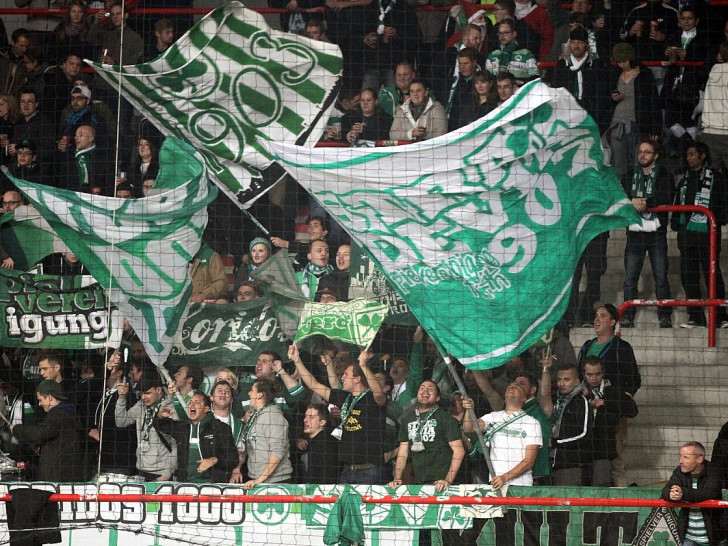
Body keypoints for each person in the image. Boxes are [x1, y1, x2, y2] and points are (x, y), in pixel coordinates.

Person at [291, 344, 388, 484]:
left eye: (346, 375)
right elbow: (314, 385)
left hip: (369, 472)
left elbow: (379, 392)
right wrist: (296, 360)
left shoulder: (372, 399)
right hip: (347, 471)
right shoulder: (345, 398)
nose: (342, 377)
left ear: (357, 379)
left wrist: (364, 366)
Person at [389, 380, 464, 546]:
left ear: (437, 398)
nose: (425, 391)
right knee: (422, 535)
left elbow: (459, 450)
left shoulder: (445, 418)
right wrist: (397, 477)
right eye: (422, 387)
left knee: (445, 536)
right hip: (419, 485)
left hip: (441, 484)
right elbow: (402, 452)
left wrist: (448, 480)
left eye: (431, 389)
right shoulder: (408, 418)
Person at [576, 303, 640, 486]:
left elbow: (634, 379)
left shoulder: (622, 347)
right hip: (588, 414)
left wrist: (616, 400)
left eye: (603, 316)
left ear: (613, 321)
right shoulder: (587, 346)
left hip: (611, 413)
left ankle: (621, 505)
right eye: (596, 315)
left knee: (615, 460)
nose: (597, 319)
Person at [671, 143, 728, 328]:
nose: (688, 158)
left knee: (713, 276)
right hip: (687, 239)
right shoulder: (683, 181)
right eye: (687, 155)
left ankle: (721, 316)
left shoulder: (717, 180)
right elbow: (677, 209)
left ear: (702, 156)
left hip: (708, 238)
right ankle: (695, 317)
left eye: (692, 154)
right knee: (688, 277)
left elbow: (723, 209)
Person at [620, 139, 674, 328]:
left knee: (661, 276)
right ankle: (627, 315)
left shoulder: (665, 175)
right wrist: (631, 202)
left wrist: (643, 203)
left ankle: (664, 315)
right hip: (634, 233)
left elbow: (667, 197)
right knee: (630, 278)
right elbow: (620, 196)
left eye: (647, 152)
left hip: (656, 233)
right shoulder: (628, 176)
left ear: (656, 155)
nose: (642, 155)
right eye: (640, 152)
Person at [10, 379, 85, 482]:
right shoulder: (69, 413)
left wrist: (17, 429)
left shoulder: (58, 414)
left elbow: (41, 432)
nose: (40, 404)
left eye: (41, 400)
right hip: (67, 472)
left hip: (58, 475)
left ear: (49, 398)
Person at [157, 391, 239, 483]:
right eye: (190, 402)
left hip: (213, 487)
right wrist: (160, 415)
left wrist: (214, 460)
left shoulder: (220, 428)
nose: (192, 404)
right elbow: (159, 425)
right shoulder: (183, 428)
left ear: (206, 408)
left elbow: (233, 459)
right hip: (184, 486)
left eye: (197, 402)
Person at [581, 356, 638, 487]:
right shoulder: (579, 391)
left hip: (609, 442)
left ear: (603, 372)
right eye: (590, 375)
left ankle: (622, 505)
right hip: (584, 446)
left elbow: (632, 410)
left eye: (597, 374)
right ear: (584, 374)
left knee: (616, 474)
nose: (594, 378)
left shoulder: (613, 390)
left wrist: (606, 403)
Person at [606, 42, 660, 178]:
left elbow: (653, 102)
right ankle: (622, 195)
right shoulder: (614, 74)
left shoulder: (644, 75)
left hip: (637, 125)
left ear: (631, 58)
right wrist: (613, 98)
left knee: (638, 163)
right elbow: (604, 98)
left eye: (624, 61)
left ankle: (638, 192)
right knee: (618, 164)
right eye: (618, 61)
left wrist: (655, 128)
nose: (621, 64)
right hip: (617, 125)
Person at [660, 442, 725, 546]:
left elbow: (710, 493)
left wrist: (683, 493)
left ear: (699, 459)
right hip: (688, 538)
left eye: (685, 457)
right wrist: (672, 494)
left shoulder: (714, 470)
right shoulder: (679, 471)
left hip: (714, 537)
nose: (681, 461)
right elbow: (666, 490)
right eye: (680, 456)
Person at [116, 374, 178, 481]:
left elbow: (176, 444)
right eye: (141, 394)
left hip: (162, 474)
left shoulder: (171, 407)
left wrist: (166, 475)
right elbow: (121, 422)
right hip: (141, 469)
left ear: (158, 390)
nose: (143, 397)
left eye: (147, 393)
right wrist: (122, 398)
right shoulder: (140, 405)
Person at [550, 27, 610, 132]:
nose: (576, 46)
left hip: (590, 115)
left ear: (586, 44)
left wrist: (597, 118)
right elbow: (555, 90)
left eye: (579, 42)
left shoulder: (596, 66)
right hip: (566, 116)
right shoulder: (562, 65)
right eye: (573, 42)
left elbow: (602, 95)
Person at [239, 379, 293, 488]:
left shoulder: (274, 417)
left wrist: (259, 480)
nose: (249, 393)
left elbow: (277, 452)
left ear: (259, 395)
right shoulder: (255, 416)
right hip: (257, 480)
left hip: (276, 482)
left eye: (252, 391)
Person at [485, 19, 539, 86]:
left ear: (514, 34)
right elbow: (488, 81)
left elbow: (535, 79)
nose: (502, 36)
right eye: (500, 33)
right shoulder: (493, 55)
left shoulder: (526, 54)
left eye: (506, 33)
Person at [297, 403, 340, 484]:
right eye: (305, 416)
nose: (305, 420)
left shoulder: (325, 444)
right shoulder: (315, 442)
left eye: (311, 417)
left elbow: (328, 478)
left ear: (322, 422)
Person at [446, 47, 479, 131]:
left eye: (465, 63)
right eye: (460, 64)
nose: (462, 67)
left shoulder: (481, 82)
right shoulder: (454, 82)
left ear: (474, 63)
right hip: (453, 127)